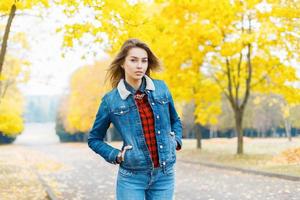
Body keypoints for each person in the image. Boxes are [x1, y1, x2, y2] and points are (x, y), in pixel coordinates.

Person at [88, 38, 182, 200]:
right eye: (133, 60)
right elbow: (94, 139)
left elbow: (175, 120)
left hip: (164, 176)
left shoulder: (161, 88)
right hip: (132, 177)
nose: (140, 66)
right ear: (123, 64)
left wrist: (175, 141)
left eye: (144, 61)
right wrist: (116, 155)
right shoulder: (111, 100)